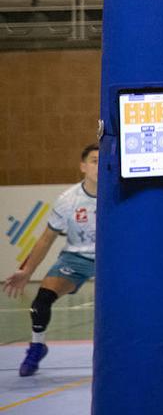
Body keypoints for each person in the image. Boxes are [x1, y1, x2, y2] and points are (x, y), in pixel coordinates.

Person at [3, 144, 99, 377]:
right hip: (76, 258)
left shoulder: (118, 196)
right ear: (83, 166)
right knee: (41, 301)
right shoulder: (68, 200)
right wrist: (26, 272)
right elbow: (46, 239)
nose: (99, 166)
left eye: (102, 161)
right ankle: (37, 346)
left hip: (112, 259)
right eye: (94, 161)